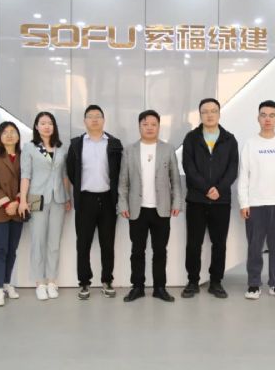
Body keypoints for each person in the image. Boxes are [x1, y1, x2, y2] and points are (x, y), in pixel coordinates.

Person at [117, 110, 183, 303]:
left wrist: (176, 202)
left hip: (161, 208)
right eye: (145, 124)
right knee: (137, 251)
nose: (149, 128)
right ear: (139, 126)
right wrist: (122, 204)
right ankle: (137, 287)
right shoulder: (129, 150)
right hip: (136, 208)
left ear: (159, 127)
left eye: (153, 124)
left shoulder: (167, 149)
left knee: (160, 251)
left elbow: (175, 179)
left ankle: (159, 288)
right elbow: (123, 182)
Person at [238, 100, 275, 300]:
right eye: (264, 115)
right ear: (258, 118)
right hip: (255, 204)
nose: (267, 119)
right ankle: (254, 284)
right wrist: (244, 203)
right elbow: (243, 175)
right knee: (255, 248)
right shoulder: (250, 144)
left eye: (272, 115)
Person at [181, 98, 238, 299]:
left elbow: (233, 169)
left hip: (221, 201)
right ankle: (192, 281)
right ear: (200, 115)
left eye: (213, 111)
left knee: (219, 244)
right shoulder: (191, 138)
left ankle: (216, 282)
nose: (209, 115)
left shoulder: (229, 139)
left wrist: (219, 189)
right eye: (205, 111)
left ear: (219, 114)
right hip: (196, 200)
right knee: (193, 243)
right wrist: (206, 189)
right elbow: (188, 167)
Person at [67, 104, 123, 300]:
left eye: (98, 116)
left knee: (108, 243)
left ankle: (107, 280)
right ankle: (84, 282)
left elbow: (120, 171)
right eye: (90, 116)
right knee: (83, 244)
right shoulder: (76, 144)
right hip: (85, 200)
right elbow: (71, 171)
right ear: (85, 121)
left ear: (103, 120)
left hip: (108, 200)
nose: (94, 119)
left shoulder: (114, 143)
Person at [18, 112, 71, 301]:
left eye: (50, 123)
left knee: (54, 242)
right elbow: (25, 175)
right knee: (38, 241)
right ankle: (39, 282)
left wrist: (68, 197)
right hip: (35, 197)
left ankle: (51, 281)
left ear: (54, 126)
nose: (47, 126)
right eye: (43, 123)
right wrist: (23, 200)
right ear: (36, 126)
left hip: (59, 198)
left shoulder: (61, 148)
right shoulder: (30, 147)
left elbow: (65, 175)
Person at [0, 121, 24, 307]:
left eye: (13, 131)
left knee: (12, 250)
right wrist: (7, 203)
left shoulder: (24, 155)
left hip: (18, 209)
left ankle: (7, 283)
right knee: (0, 249)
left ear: (18, 136)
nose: (9, 135)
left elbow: (28, 180)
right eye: (5, 132)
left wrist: (17, 201)